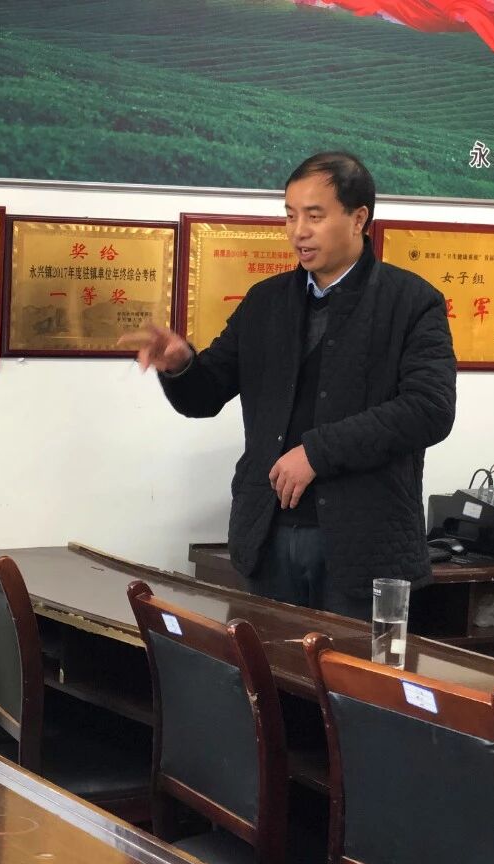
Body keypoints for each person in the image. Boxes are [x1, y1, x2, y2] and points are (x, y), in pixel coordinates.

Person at [130, 152, 456, 619]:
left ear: (358, 218)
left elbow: (429, 409)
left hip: (365, 546)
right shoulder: (265, 302)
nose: (298, 231)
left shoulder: (412, 302)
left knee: (348, 668)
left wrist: (316, 453)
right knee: (267, 664)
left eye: (314, 216)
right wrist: (181, 364)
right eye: (289, 215)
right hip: (268, 538)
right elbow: (205, 395)